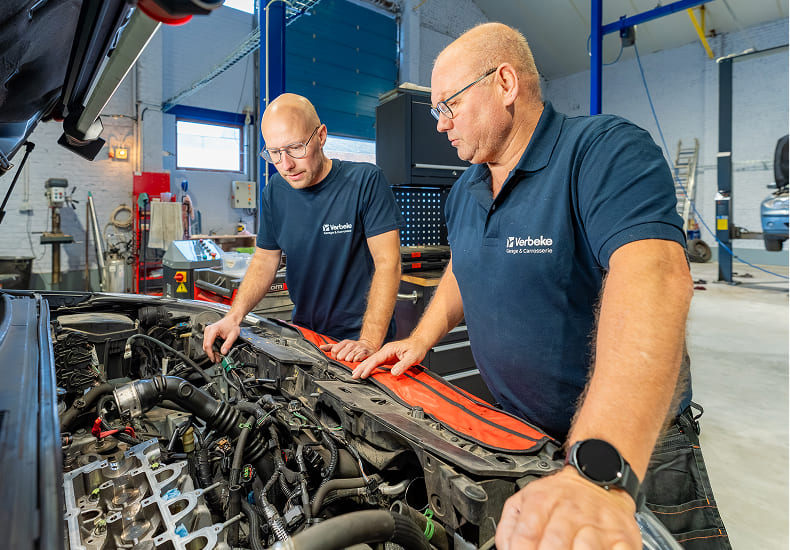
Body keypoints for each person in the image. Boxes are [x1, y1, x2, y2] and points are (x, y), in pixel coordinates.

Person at [354, 22, 730, 550]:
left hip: (630, 448)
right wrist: (419, 339)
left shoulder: (602, 150)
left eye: (449, 105)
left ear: (505, 83)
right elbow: (464, 267)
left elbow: (655, 276)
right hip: (519, 435)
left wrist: (599, 469)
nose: (440, 124)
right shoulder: (465, 190)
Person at [203, 93, 402, 364]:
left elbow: (388, 263)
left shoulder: (365, 181)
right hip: (306, 338)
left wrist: (368, 340)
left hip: (360, 341)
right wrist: (233, 317)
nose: (286, 165)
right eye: (274, 153)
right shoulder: (275, 191)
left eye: (296, 148)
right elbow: (264, 259)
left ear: (321, 136)